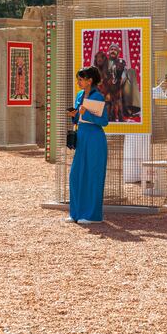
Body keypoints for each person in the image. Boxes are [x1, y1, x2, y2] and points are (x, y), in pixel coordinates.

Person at [66, 66, 109, 224]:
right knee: (76, 175)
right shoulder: (79, 95)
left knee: (93, 175)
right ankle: (75, 213)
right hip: (81, 137)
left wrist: (87, 114)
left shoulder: (98, 96)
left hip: (95, 139)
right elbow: (78, 119)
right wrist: (74, 116)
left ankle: (92, 215)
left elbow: (103, 121)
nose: (78, 82)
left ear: (90, 80)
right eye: (78, 79)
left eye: (81, 79)